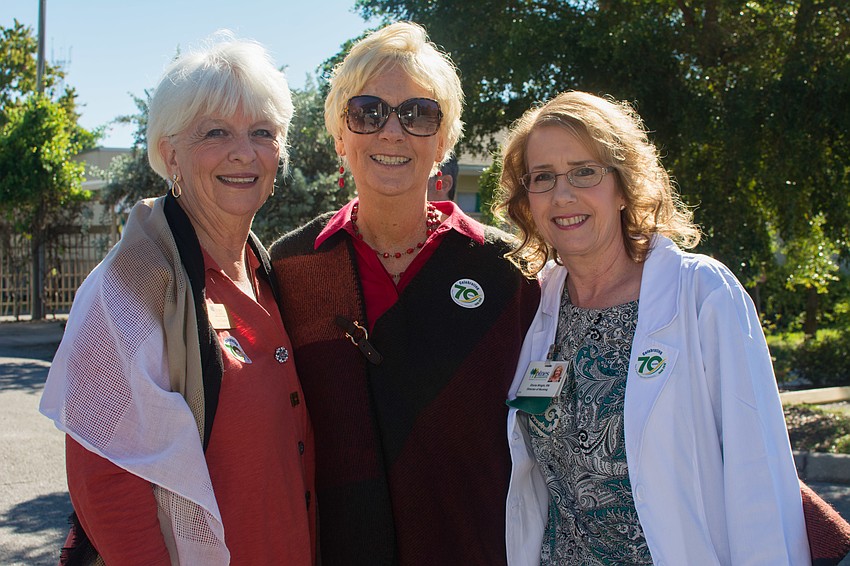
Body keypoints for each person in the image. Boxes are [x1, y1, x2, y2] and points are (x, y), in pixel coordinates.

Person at [497, 91, 810, 565]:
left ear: (623, 186)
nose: (563, 195)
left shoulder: (701, 294)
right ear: (528, 200)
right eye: (543, 178)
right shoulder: (536, 304)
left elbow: (758, 478)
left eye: (585, 171)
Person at [269, 21, 540, 565]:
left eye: (418, 114)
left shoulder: (510, 270)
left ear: (442, 141)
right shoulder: (293, 266)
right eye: (367, 112)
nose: (392, 132)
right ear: (341, 136)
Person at [40, 33, 316, 565]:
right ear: (170, 154)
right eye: (216, 132)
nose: (244, 151)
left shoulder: (268, 273)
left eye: (262, 132)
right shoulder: (127, 288)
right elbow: (106, 486)